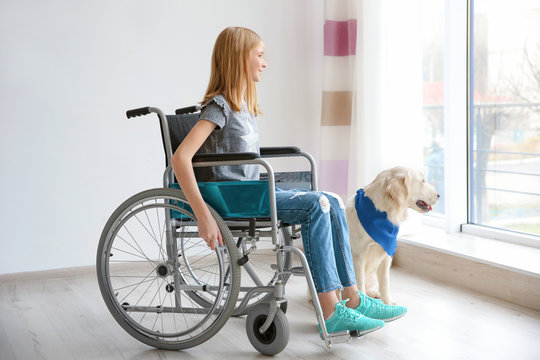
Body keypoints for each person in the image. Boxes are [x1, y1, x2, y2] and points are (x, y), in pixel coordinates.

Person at [171, 26, 406, 337]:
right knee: (317, 204)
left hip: (254, 193)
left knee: (333, 199)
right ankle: (331, 311)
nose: (265, 62)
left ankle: (353, 299)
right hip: (237, 200)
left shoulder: (242, 107)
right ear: (240, 59)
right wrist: (203, 216)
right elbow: (180, 159)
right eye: (259, 55)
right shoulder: (219, 107)